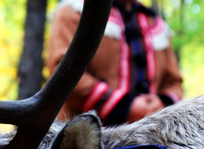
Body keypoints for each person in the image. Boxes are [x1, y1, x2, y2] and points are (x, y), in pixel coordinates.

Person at [47, 0, 184, 125]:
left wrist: (160, 104)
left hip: (150, 140)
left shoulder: (155, 23)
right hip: (85, 140)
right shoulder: (74, 11)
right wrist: (125, 107)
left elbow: (174, 82)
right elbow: (64, 73)